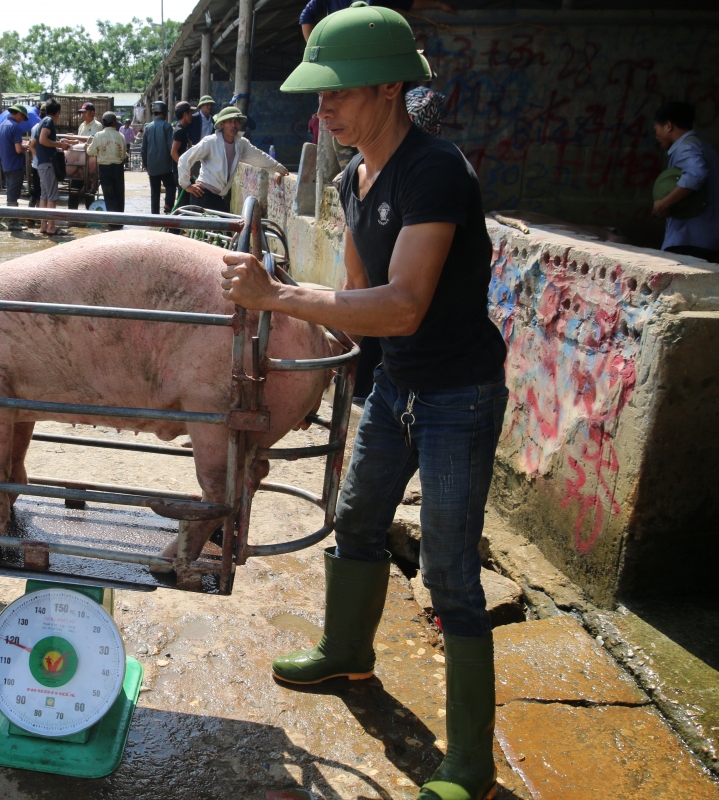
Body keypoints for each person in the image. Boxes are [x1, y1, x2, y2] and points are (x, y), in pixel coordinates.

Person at [229, 6, 507, 800]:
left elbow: (402, 305)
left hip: (458, 392)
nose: (324, 111)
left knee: (451, 573)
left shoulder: (436, 172)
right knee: (356, 522)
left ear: (391, 87)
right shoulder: (354, 178)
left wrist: (280, 295)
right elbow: (358, 296)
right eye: (320, 99)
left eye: (338, 95)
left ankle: (471, 764)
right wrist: (353, 391)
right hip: (398, 388)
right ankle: (348, 652)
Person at [178, 106, 288, 212]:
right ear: (222, 124)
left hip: (219, 197)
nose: (233, 125)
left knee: (226, 229)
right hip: (203, 194)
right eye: (229, 121)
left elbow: (259, 157)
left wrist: (279, 168)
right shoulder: (210, 142)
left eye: (236, 121)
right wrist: (187, 185)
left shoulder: (241, 144)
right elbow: (184, 159)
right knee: (214, 230)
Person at [653, 101, 719, 262]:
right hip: (707, 239)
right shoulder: (704, 147)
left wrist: (664, 204)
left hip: (689, 240)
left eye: (657, 129)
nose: (656, 136)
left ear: (668, 125)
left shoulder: (686, 147)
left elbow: (696, 174)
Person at [300, 0, 454, 40]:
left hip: (371, 45)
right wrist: (313, 51)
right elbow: (306, 16)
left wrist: (438, 4)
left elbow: (408, 3)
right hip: (342, 45)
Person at [33, 99, 73, 237]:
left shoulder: (40, 122)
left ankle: (44, 225)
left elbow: (38, 143)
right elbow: (43, 140)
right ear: (57, 112)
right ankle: (51, 227)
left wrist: (56, 144)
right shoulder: (48, 122)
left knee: (44, 195)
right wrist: (61, 145)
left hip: (42, 163)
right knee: (52, 196)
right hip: (48, 164)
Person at [87, 111, 127, 225]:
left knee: (109, 195)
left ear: (104, 123)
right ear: (114, 123)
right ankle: (120, 221)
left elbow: (90, 151)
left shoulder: (99, 136)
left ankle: (112, 222)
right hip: (118, 168)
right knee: (119, 194)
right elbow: (124, 155)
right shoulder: (121, 136)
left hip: (105, 169)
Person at [0, 104, 30, 231]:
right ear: (19, 114)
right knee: (13, 194)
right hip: (15, 164)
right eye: (23, 118)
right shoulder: (15, 127)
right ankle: (13, 222)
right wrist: (26, 147)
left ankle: (10, 218)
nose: (23, 121)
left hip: (6, 163)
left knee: (10, 192)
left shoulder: (2, 126)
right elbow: (18, 149)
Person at [143, 100, 177, 214]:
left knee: (155, 192)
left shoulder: (148, 128)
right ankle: (168, 205)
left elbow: (144, 148)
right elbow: (170, 147)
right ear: (164, 112)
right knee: (171, 186)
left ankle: (154, 216)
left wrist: (146, 164)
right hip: (166, 166)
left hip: (152, 166)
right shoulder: (167, 127)